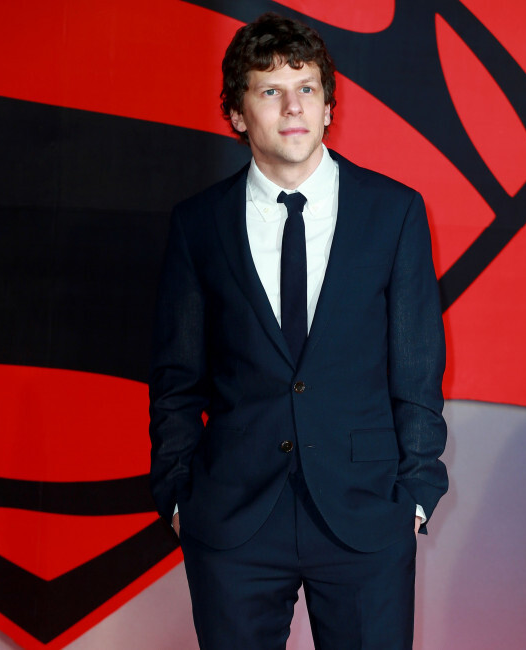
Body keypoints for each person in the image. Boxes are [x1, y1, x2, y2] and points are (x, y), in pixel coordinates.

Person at [149, 12, 447, 650]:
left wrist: (417, 492)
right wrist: (177, 495)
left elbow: (418, 367)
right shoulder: (198, 224)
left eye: (307, 88)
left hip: (365, 516)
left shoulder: (394, 212)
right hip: (234, 522)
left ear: (328, 106)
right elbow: (177, 377)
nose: (293, 107)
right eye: (270, 90)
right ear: (237, 113)